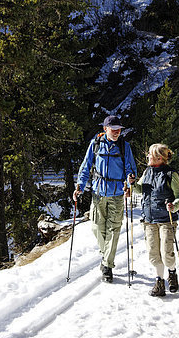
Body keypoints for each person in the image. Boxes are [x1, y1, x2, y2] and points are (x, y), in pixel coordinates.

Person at [73, 115, 137, 283]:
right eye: (113, 129)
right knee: (96, 227)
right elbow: (86, 166)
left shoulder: (125, 147)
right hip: (98, 193)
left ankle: (107, 266)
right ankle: (105, 255)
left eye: (119, 129)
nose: (116, 132)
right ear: (105, 129)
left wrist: (129, 183)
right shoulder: (95, 145)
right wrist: (79, 185)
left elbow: (131, 169)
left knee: (113, 230)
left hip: (116, 194)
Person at [128, 143, 179, 297]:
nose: (148, 157)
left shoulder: (171, 175)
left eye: (150, 155)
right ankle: (159, 282)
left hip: (167, 219)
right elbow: (140, 190)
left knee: (167, 254)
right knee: (154, 255)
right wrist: (132, 184)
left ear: (159, 158)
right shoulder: (147, 172)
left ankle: (172, 273)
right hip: (149, 220)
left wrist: (174, 206)